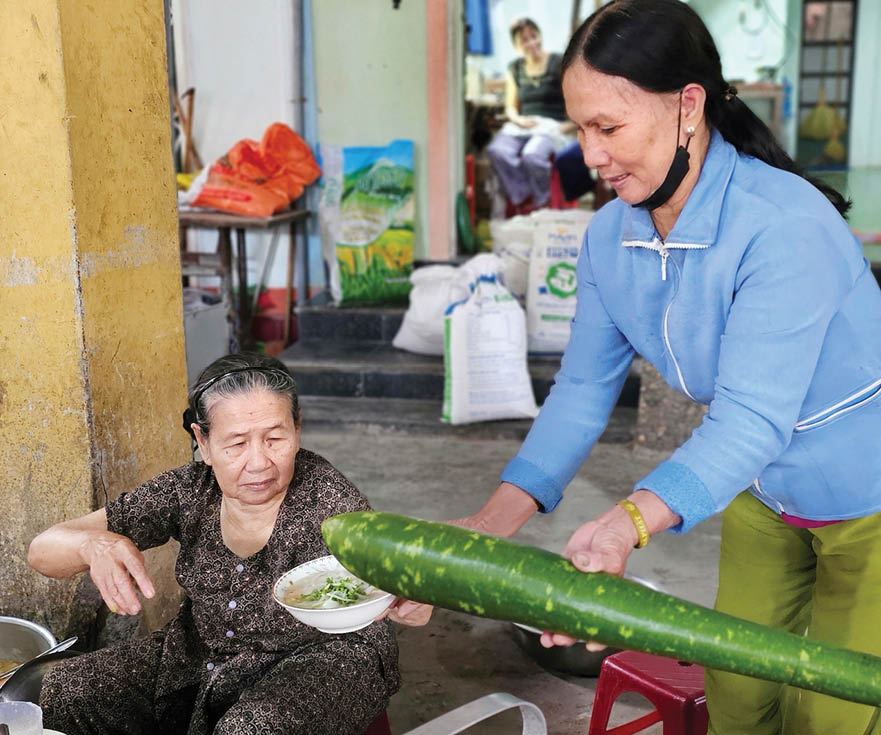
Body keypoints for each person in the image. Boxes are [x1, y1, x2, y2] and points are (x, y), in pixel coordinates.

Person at [394, 1, 881, 733]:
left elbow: (750, 417)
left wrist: (628, 520)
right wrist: (488, 526)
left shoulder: (782, 227)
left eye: (609, 128)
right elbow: (583, 390)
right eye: (579, 128)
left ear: (688, 106)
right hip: (760, 489)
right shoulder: (608, 240)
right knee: (740, 698)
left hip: (867, 498)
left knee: (833, 714)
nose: (589, 155)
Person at [28, 353, 403, 735]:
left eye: (275, 439)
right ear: (202, 442)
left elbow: (396, 579)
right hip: (200, 653)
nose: (258, 462)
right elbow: (42, 550)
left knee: (251, 727)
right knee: (68, 689)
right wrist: (92, 546)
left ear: (298, 429)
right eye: (236, 444)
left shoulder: (331, 500)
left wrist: (409, 600)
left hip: (320, 658)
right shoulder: (188, 490)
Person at [485, 17, 576, 209]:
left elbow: (577, 97)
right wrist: (518, 119)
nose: (531, 43)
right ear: (516, 45)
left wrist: (572, 123)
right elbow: (511, 106)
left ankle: (542, 199)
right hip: (523, 125)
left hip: (551, 126)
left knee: (532, 155)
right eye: (524, 40)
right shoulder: (515, 68)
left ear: (540, 36)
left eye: (533, 36)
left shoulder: (558, 62)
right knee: (496, 150)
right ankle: (523, 194)